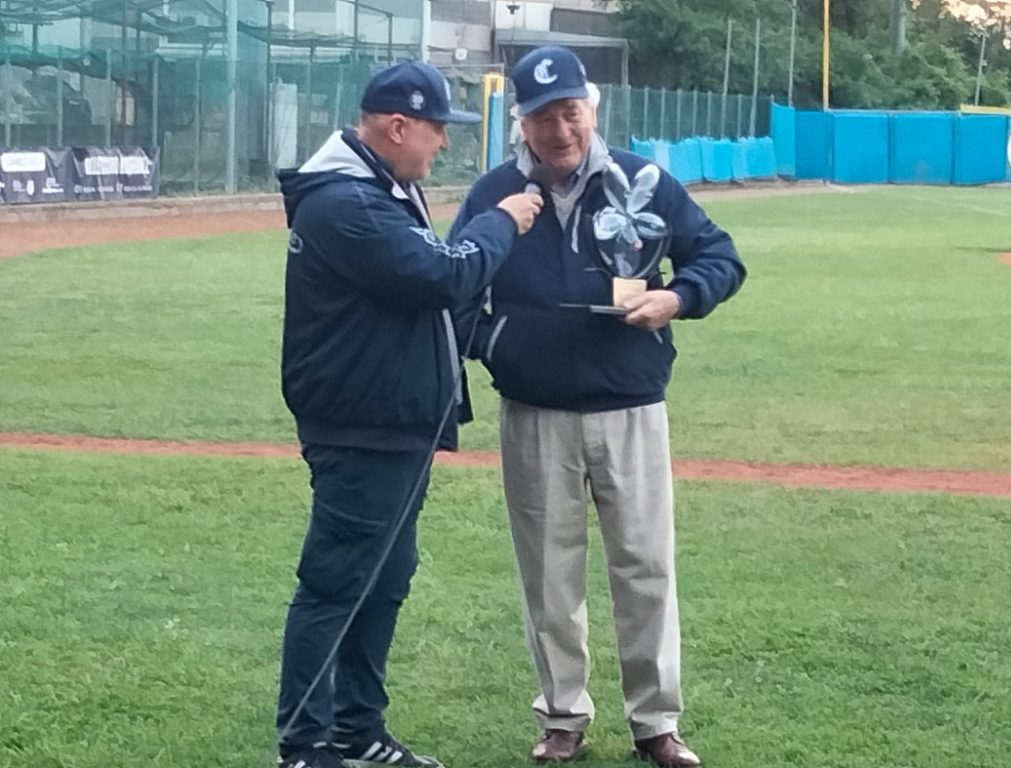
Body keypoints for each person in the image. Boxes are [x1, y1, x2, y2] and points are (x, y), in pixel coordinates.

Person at [451, 46, 746, 767]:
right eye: (542, 117)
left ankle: (656, 722)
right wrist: (499, 343)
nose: (559, 130)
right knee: (549, 575)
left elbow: (720, 256)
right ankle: (562, 717)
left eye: (570, 113)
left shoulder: (644, 182)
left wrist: (678, 297)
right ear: (519, 122)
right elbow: (454, 289)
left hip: (630, 405)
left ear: (592, 110)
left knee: (646, 566)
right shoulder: (493, 193)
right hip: (535, 411)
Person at [274, 60, 542, 768]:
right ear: (397, 127)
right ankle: (304, 744)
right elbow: (442, 274)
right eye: (435, 129)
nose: (442, 143)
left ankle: (355, 729)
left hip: (391, 422)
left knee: (384, 578)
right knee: (337, 581)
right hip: (363, 425)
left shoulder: (377, 192)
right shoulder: (348, 204)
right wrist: (501, 222)